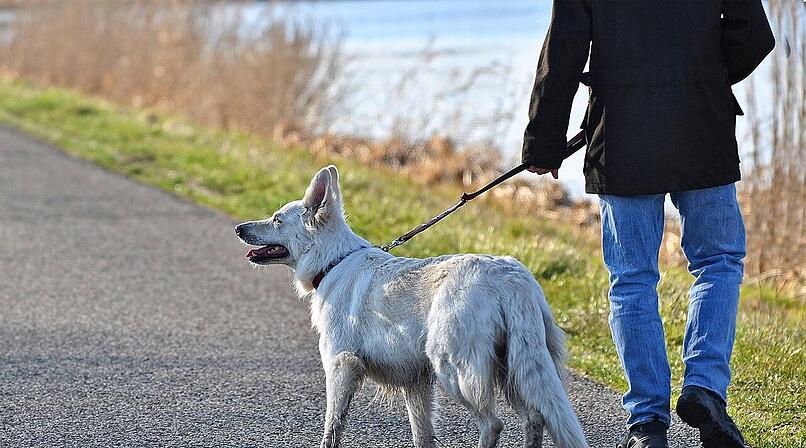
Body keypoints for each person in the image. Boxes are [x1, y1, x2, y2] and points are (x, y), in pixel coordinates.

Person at [522, 1, 775, 447]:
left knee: (632, 279)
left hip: (623, 137)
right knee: (718, 261)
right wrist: (703, 78)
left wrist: (544, 140)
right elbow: (754, 36)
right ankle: (705, 387)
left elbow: (563, 50)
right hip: (703, 126)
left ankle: (647, 423)